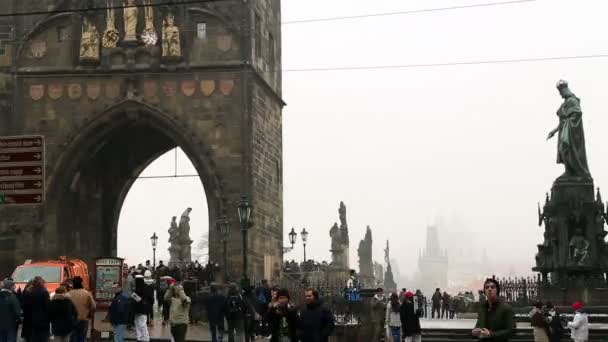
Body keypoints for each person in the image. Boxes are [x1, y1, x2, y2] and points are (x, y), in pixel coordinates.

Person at [24, 276, 51, 342]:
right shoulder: (44, 292)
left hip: (31, 319)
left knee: (34, 337)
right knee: (43, 338)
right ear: (41, 283)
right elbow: (47, 307)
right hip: (43, 319)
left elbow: (26, 306)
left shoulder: (29, 292)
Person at [69, 276, 95, 342]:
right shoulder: (86, 293)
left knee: (73, 337)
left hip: (72, 319)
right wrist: (89, 314)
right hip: (83, 319)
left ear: (73, 283)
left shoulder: (69, 294)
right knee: (82, 337)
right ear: (81, 283)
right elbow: (93, 306)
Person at [0, 278, 21, 342]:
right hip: (10, 323)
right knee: (10, 339)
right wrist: (18, 318)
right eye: (13, 286)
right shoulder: (12, 297)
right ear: (10, 287)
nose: (15, 287)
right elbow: (17, 311)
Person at [132, 275, 151, 342]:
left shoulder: (140, 289)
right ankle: (141, 338)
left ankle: (144, 338)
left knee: (141, 325)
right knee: (139, 324)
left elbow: (143, 299)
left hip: (141, 310)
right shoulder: (145, 288)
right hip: (141, 310)